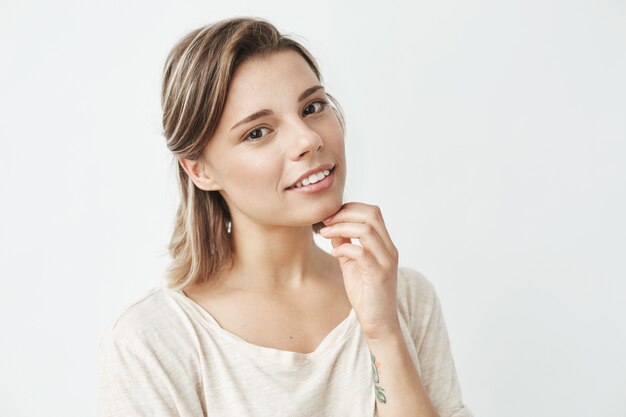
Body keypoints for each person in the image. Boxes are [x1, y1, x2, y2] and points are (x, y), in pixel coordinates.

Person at [98, 17, 473, 417]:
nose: (308, 139)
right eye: (257, 132)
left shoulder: (405, 297)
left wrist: (383, 333)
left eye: (312, 107)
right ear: (200, 170)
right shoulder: (155, 341)